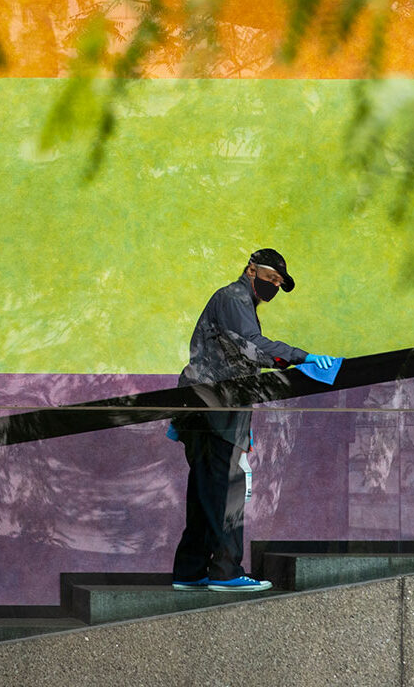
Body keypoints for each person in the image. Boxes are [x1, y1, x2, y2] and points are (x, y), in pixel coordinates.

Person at [170, 248, 336, 592]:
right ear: (250, 270)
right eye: (271, 278)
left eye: (278, 282)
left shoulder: (236, 301)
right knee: (226, 490)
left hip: (205, 407)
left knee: (204, 492)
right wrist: (300, 357)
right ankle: (226, 572)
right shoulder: (234, 297)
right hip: (214, 408)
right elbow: (251, 346)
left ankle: (190, 570)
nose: (274, 286)